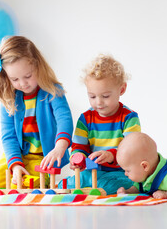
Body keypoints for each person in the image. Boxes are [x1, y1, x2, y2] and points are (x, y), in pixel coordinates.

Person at [0, 36, 73, 195]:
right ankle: (17, 181)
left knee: (30, 186)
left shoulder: (52, 91)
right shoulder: (9, 97)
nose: (23, 83)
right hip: (19, 157)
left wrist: (59, 147)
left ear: (37, 66)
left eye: (28, 76)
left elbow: (64, 119)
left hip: (43, 158)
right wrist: (15, 166)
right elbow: (8, 136)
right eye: (14, 79)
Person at [58, 54, 141, 195]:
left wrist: (110, 155)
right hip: (92, 172)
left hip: (119, 173)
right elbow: (79, 146)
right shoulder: (85, 118)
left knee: (120, 183)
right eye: (92, 96)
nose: (98, 102)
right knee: (65, 185)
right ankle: (91, 189)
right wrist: (77, 157)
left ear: (121, 89)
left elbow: (132, 151)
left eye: (105, 96)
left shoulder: (129, 117)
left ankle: (105, 190)